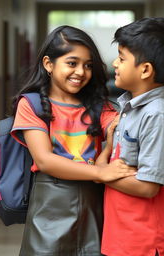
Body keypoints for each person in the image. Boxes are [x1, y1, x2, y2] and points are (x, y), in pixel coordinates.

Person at [10, 25, 135, 256]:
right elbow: (45, 160)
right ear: (48, 64)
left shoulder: (102, 107)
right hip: (49, 209)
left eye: (88, 65)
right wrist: (100, 172)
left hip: (94, 207)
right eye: (72, 63)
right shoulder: (32, 105)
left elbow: (123, 132)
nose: (81, 71)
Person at [96, 17, 164, 256]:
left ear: (145, 69)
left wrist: (101, 174)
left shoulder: (156, 116)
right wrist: (104, 162)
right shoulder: (130, 108)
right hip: (122, 237)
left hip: (145, 242)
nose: (115, 63)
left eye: (122, 58)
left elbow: (147, 187)